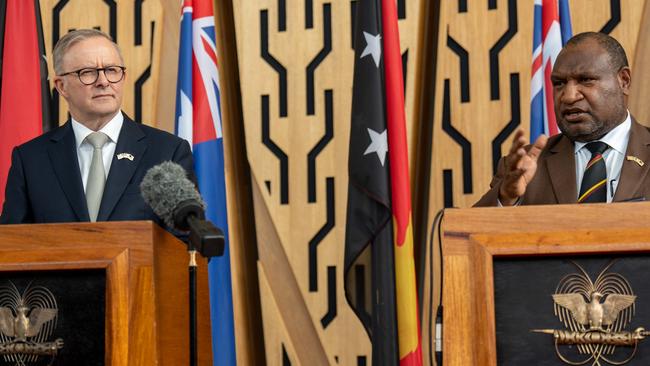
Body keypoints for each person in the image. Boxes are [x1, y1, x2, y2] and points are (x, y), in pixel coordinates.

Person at [0, 29, 194, 225]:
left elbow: (186, 242)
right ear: (61, 86)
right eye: (88, 72)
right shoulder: (31, 159)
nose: (103, 81)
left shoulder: (167, 152)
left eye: (111, 70)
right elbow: (10, 245)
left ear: (123, 76)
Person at [475, 32, 650, 207]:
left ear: (624, 81)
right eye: (559, 83)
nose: (568, 96)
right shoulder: (523, 168)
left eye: (586, 80)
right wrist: (506, 196)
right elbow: (469, 230)